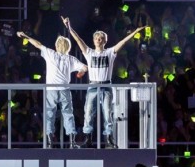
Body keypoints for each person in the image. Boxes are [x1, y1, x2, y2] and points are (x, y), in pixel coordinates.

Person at [62, 16, 145, 148]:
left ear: (105, 41)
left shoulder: (110, 52)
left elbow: (122, 43)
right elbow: (78, 40)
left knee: (108, 113)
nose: (98, 40)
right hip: (93, 85)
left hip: (106, 85)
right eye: (96, 38)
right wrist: (69, 27)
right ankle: (87, 139)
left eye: (100, 38)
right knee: (88, 113)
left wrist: (134, 33)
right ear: (94, 40)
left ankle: (109, 139)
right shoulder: (89, 52)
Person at [16, 30, 87, 148]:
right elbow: (85, 67)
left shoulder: (51, 53)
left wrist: (26, 36)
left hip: (52, 90)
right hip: (64, 90)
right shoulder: (71, 59)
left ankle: (49, 141)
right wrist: (81, 72)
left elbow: (37, 44)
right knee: (68, 114)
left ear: (56, 46)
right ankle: (72, 141)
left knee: (50, 114)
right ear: (68, 47)